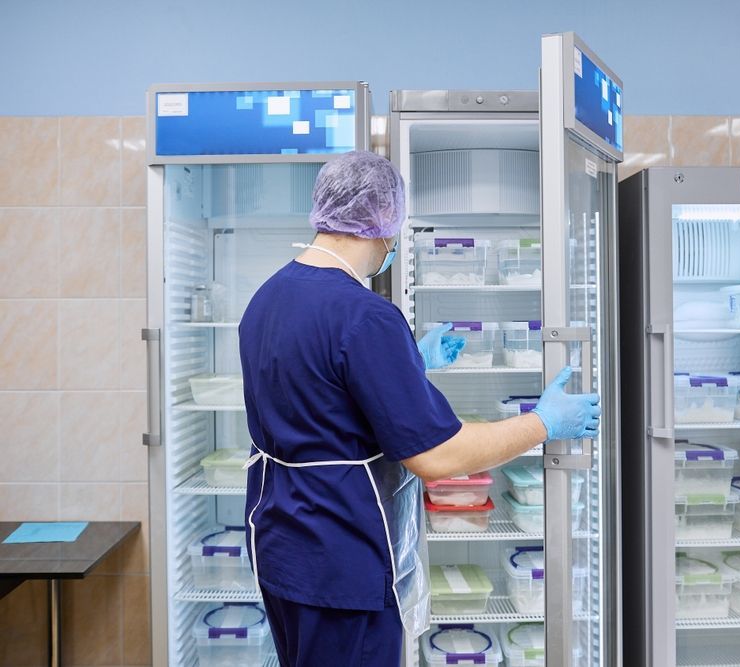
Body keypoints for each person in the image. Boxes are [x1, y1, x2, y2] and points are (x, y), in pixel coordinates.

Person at [239, 150, 601, 667]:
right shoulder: (365, 316)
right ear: (383, 224)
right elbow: (438, 456)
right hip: (342, 559)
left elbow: (320, 393)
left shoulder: (268, 297)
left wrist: (409, 364)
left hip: (280, 546)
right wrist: (544, 422)